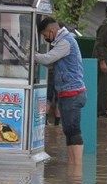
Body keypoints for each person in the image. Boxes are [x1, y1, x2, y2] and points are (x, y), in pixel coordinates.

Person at [36, 16, 86, 164]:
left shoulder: (65, 42)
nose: (46, 39)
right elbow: (52, 64)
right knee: (68, 131)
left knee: (73, 130)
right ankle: (73, 165)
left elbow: (47, 59)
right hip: (67, 93)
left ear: (51, 30)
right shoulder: (62, 41)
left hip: (73, 93)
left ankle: (76, 168)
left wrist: (31, 55)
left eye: (45, 35)